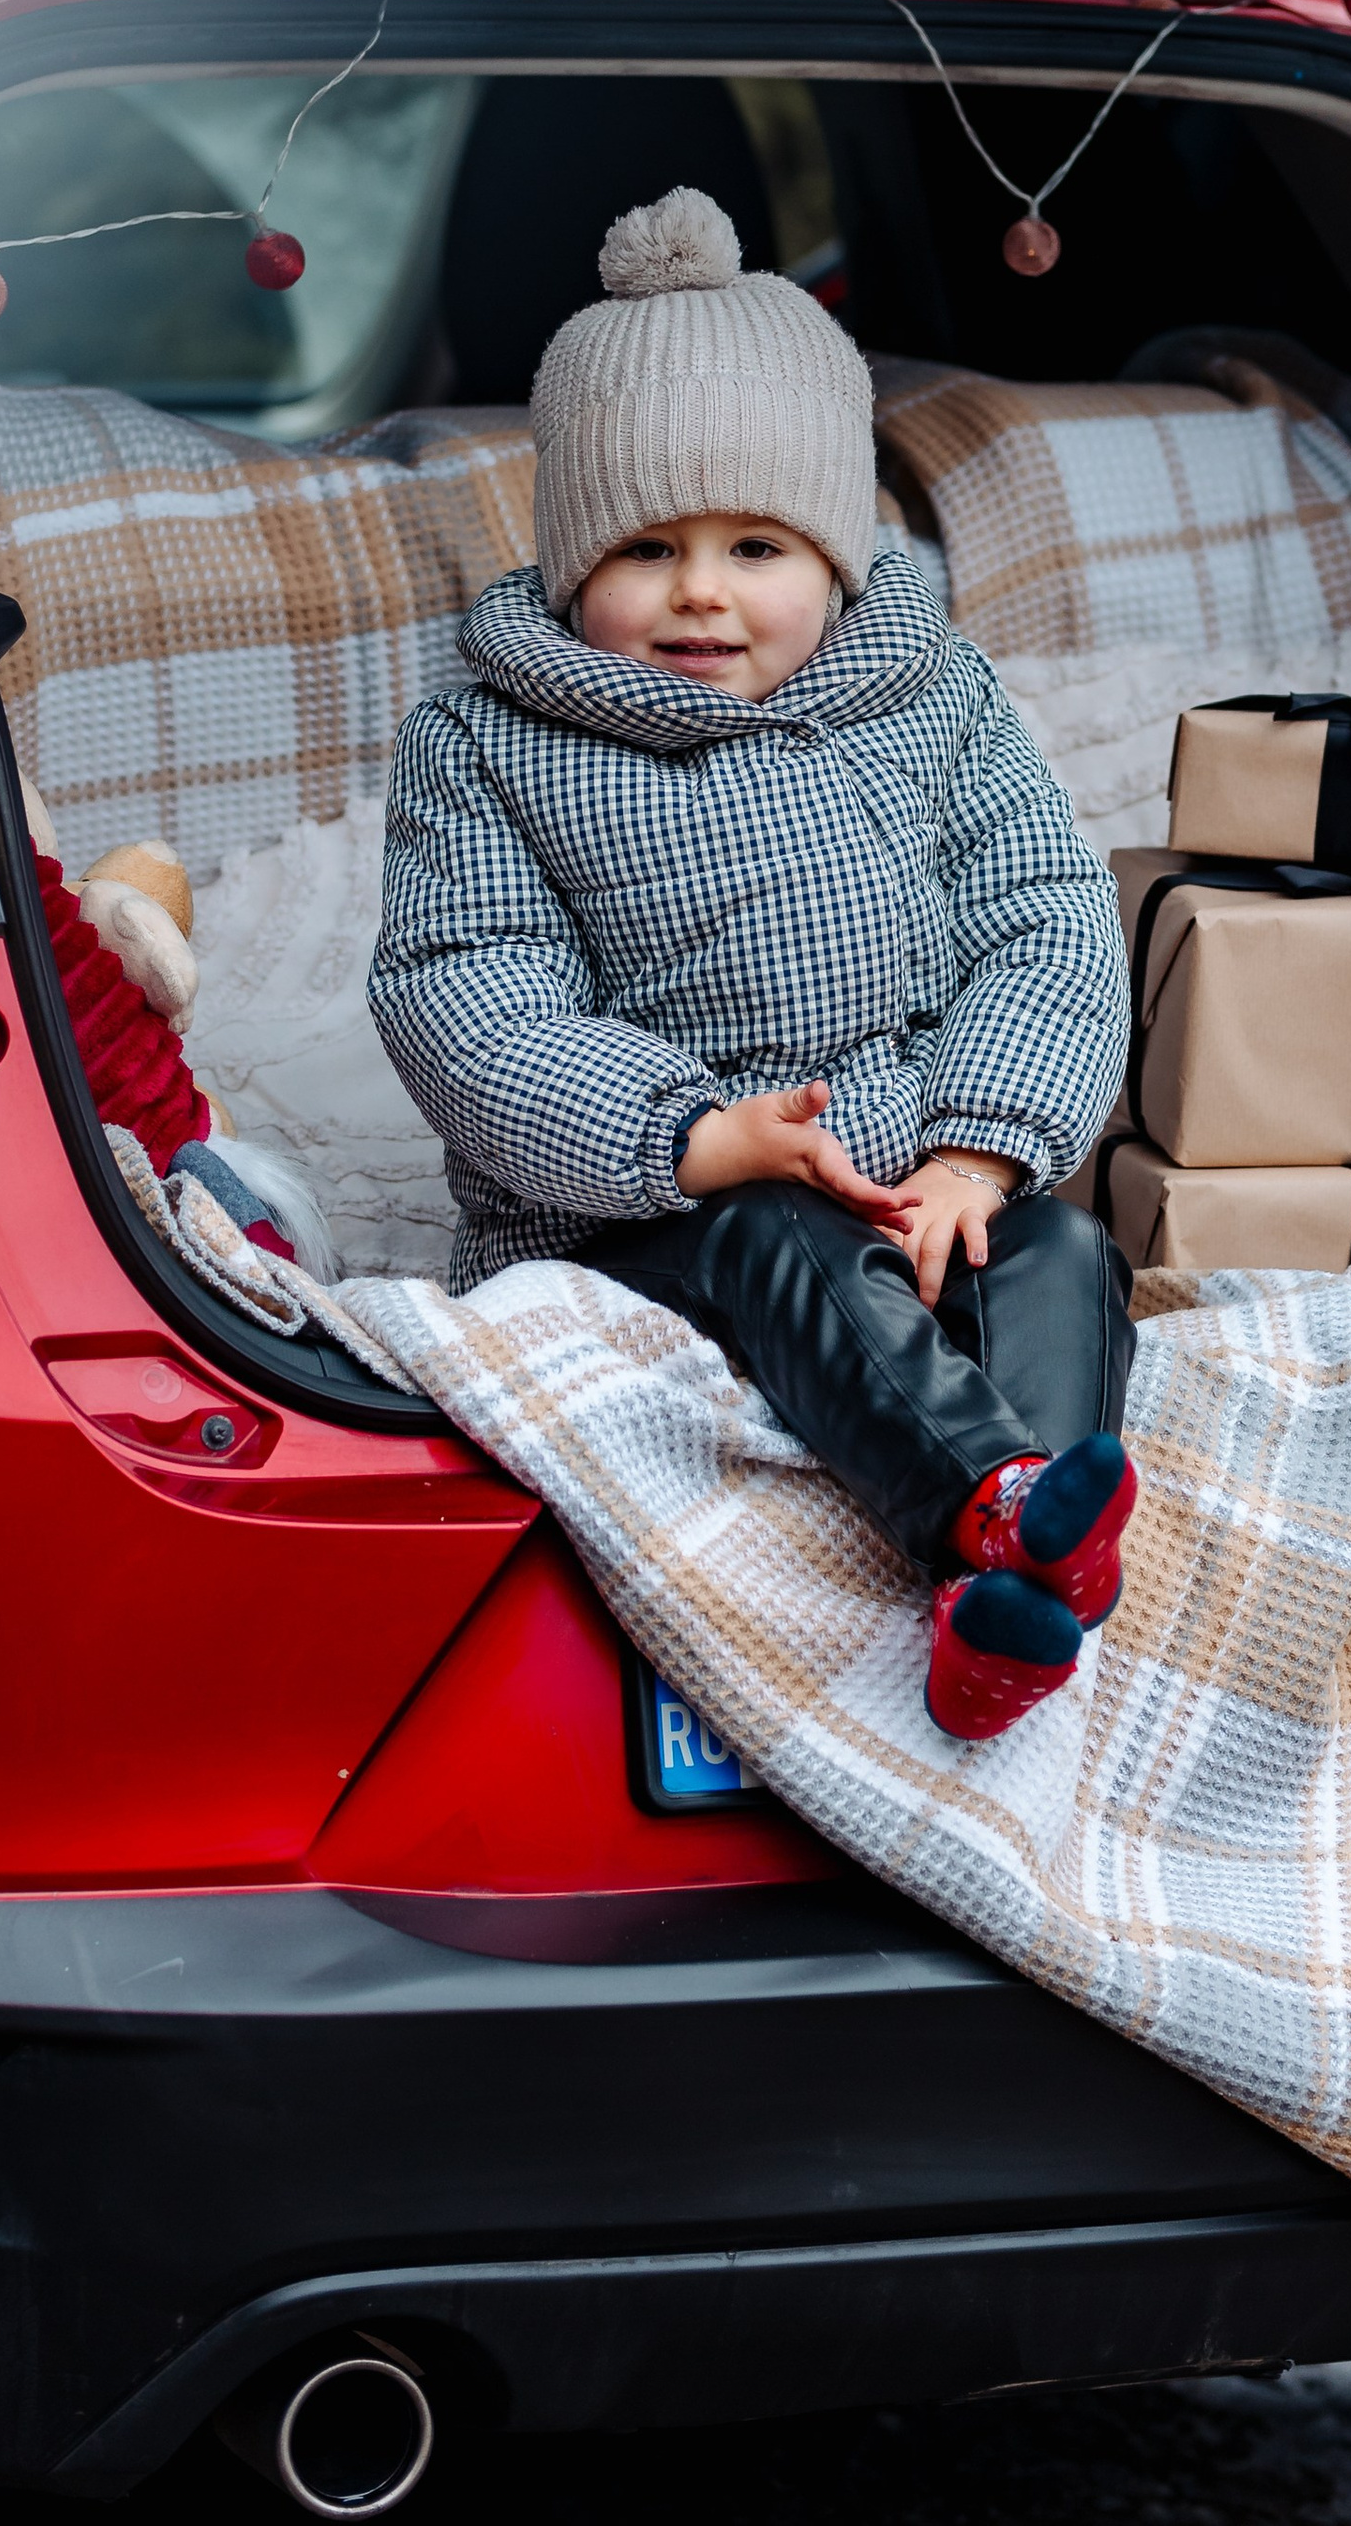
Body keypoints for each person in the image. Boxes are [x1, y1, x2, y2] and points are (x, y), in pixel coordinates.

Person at [371, 185, 1136, 1738]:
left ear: (838, 556)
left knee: (1059, 1257)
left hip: (916, 1160)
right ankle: (984, 1500)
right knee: (782, 1242)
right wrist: (700, 1139)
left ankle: (1018, 1581)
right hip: (642, 1205)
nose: (703, 590)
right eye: (646, 546)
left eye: (757, 543)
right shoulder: (491, 739)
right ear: (575, 560)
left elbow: (1043, 913)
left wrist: (981, 1155)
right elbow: (467, 991)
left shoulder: (932, 696)